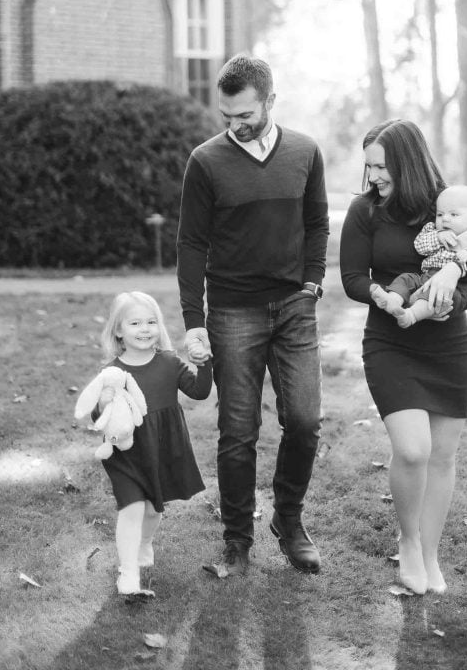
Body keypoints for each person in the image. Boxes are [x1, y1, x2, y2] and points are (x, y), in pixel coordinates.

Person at [176, 54, 329, 576]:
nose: (234, 125)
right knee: (238, 431)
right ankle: (237, 538)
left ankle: (288, 520)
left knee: (305, 422)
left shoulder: (306, 152)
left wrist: (312, 283)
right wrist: (194, 318)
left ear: (269, 101)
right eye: (226, 116)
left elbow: (318, 222)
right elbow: (191, 243)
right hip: (232, 310)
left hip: (293, 306)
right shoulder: (206, 161)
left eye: (244, 115)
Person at [339, 121, 467, 595]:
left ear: (407, 163)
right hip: (391, 342)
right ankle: (408, 541)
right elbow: (351, 277)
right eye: (368, 165)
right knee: (413, 450)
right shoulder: (364, 210)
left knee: (442, 456)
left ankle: (430, 553)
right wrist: (380, 295)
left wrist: (455, 273)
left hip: (450, 346)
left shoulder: (450, 202)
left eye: (381, 165)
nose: (372, 175)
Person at [82, 291, 212, 598]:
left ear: (160, 327)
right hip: (127, 451)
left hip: (163, 446)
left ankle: (144, 542)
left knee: (153, 510)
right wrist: (102, 401)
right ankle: (128, 572)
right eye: (135, 323)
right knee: (132, 507)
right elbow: (97, 414)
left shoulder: (168, 362)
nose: (145, 329)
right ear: (118, 330)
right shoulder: (112, 371)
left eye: (151, 322)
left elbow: (199, 392)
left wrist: (205, 364)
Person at [372, 183, 467, 327]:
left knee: (436, 296)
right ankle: (392, 301)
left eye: (454, 214)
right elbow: (420, 246)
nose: (445, 219)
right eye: (440, 214)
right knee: (405, 279)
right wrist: (438, 237)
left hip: (457, 287)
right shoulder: (433, 229)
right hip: (426, 277)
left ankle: (410, 316)